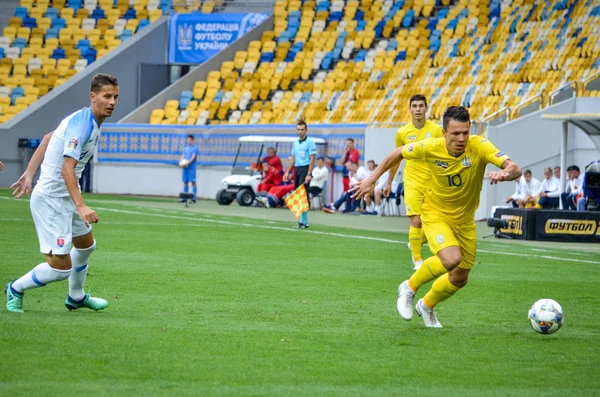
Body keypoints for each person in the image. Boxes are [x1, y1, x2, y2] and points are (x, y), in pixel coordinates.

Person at [351, 106, 521, 328]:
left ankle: (427, 305)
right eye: (455, 133)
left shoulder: (479, 146)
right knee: (451, 259)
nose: (461, 138)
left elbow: (515, 168)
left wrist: (506, 173)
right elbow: (397, 153)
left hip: (465, 220)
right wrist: (373, 178)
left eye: (465, 133)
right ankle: (409, 287)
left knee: (460, 277)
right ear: (443, 132)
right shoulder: (430, 147)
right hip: (435, 213)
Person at [5, 73, 119, 313]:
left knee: (86, 245)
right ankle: (15, 288)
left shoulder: (89, 120)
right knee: (60, 267)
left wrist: (29, 172)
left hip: (65, 195)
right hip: (51, 200)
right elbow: (67, 169)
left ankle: (76, 297)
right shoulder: (82, 124)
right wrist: (82, 206)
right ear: (93, 96)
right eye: (106, 96)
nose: (112, 102)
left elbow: (48, 138)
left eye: (115, 97)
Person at [385, 94, 443, 270]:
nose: (418, 109)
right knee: (416, 221)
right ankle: (417, 260)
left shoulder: (436, 130)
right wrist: (389, 183)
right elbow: (395, 160)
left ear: (426, 108)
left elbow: (443, 154)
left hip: (432, 182)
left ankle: (416, 241)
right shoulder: (402, 133)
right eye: (414, 106)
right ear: (409, 109)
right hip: (411, 182)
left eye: (421, 106)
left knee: (434, 220)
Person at [283, 120, 316, 228]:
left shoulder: (310, 142)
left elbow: (312, 159)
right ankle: (302, 221)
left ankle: (304, 221)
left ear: (306, 130)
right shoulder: (296, 143)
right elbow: (293, 158)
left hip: (305, 169)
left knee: (303, 195)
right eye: (298, 130)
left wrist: (309, 173)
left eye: (302, 130)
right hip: (297, 169)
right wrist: (288, 171)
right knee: (298, 195)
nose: (300, 132)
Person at [180, 134, 198, 203]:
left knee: (193, 182)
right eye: (188, 140)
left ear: (193, 140)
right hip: (185, 168)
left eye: (190, 140)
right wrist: (181, 162)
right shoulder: (185, 148)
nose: (189, 141)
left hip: (191, 168)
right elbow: (182, 156)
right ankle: (185, 198)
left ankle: (194, 198)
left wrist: (187, 163)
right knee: (185, 182)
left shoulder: (195, 148)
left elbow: (193, 157)